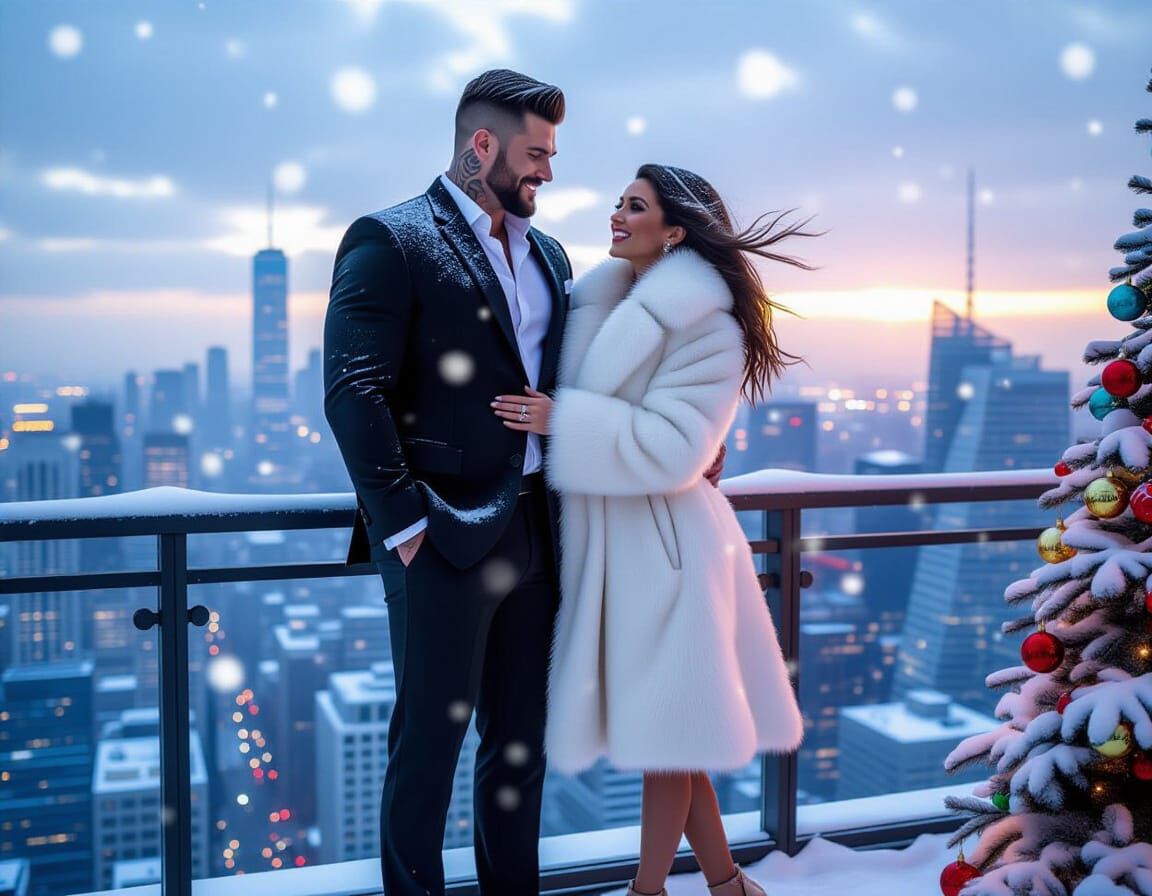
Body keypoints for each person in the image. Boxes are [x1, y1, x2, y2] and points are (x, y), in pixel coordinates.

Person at [324, 70, 728, 895]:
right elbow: (350, 390)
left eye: (552, 153)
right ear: (483, 146)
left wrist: (693, 430)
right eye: (536, 153)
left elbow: (585, 377)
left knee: (520, 752)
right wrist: (406, 526)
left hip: (539, 537)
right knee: (427, 753)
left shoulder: (551, 254)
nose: (548, 171)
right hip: (439, 539)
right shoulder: (390, 238)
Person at [491, 164, 812, 895]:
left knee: (666, 743)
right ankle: (728, 884)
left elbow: (677, 448)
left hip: (670, 554)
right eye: (618, 201)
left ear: (673, 230)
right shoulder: (600, 303)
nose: (616, 214)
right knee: (673, 740)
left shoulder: (708, 326)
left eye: (635, 206)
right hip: (620, 549)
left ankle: (648, 890)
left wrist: (561, 420)